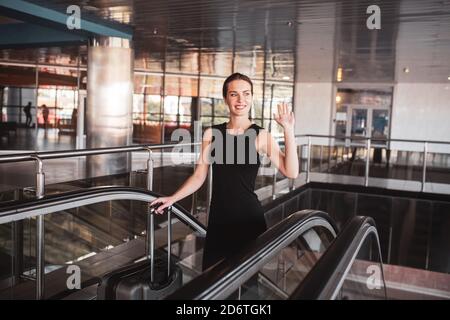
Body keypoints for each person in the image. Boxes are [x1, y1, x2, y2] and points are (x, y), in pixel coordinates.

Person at [150, 73, 299, 272]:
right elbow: (199, 176)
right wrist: (172, 198)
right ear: (226, 98)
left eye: (246, 94)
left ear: (251, 97)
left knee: (247, 285)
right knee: (213, 279)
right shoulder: (212, 134)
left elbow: (291, 171)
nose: (241, 100)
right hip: (219, 219)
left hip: (249, 220)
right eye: (234, 94)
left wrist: (288, 129)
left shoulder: (261, 135)